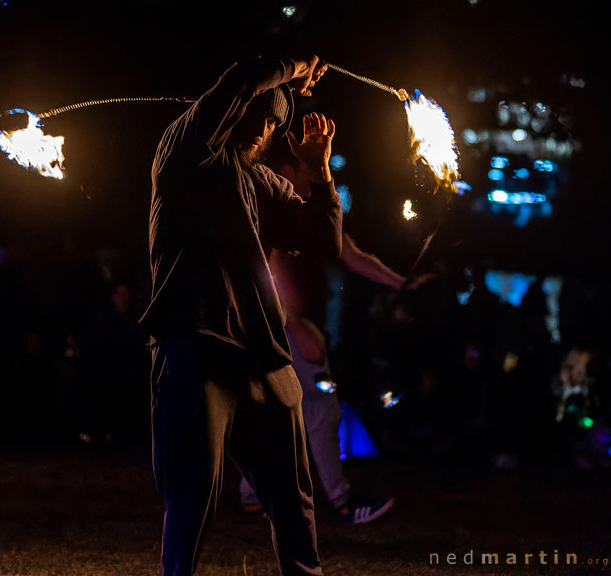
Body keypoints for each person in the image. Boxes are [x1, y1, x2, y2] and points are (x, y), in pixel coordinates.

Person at [139, 54, 340, 576]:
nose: (270, 129)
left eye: (276, 121)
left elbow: (324, 240)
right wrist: (294, 67)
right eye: (263, 116)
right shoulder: (187, 150)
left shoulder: (262, 182)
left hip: (263, 359)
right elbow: (240, 78)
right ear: (238, 112)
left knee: (293, 503)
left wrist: (319, 172)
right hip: (195, 346)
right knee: (192, 499)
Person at [239, 156, 430, 523]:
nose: (312, 174)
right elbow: (271, 273)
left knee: (283, 410)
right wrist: (294, 324)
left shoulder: (311, 213)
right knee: (322, 408)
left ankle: (253, 496)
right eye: (304, 167)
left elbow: (354, 256)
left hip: (291, 327)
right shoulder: (278, 211)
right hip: (283, 327)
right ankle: (342, 502)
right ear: (288, 171)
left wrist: (402, 283)